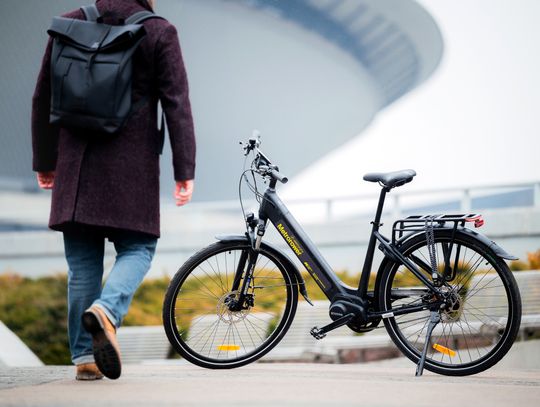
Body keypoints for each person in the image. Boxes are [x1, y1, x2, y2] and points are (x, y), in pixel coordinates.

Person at [31, 0, 196, 380]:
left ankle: (85, 360)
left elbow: (43, 95)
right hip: (131, 170)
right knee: (138, 248)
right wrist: (183, 168)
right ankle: (107, 310)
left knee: (82, 265)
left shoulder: (69, 24)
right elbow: (177, 105)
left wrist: (45, 161)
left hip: (76, 167)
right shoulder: (158, 30)